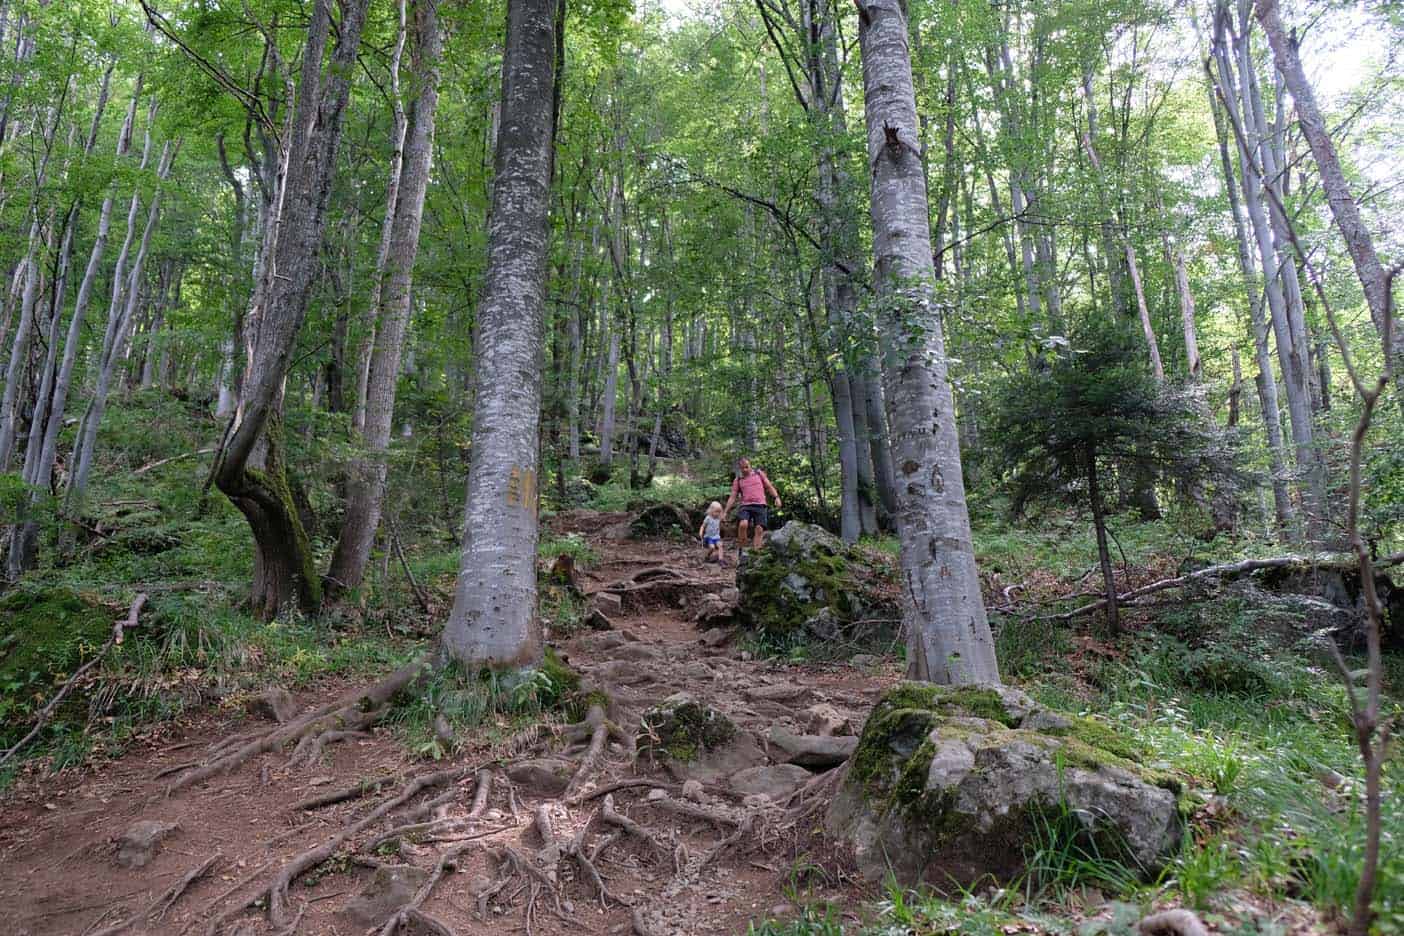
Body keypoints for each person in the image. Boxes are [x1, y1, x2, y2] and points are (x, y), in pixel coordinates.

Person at [723, 457, 781, 554]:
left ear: (750, 466)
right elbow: (732, 497)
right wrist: (725, 512)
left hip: (760, 505)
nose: (745, 470)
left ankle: (756, 552)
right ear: (740, 469)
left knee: (759, 529)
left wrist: (776, 497)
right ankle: (743, 549)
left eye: (747, 467)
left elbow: (769, 486)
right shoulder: (738, 480)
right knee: (743, 524)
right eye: (743, 468)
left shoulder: (759, 474)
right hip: (746, 506)